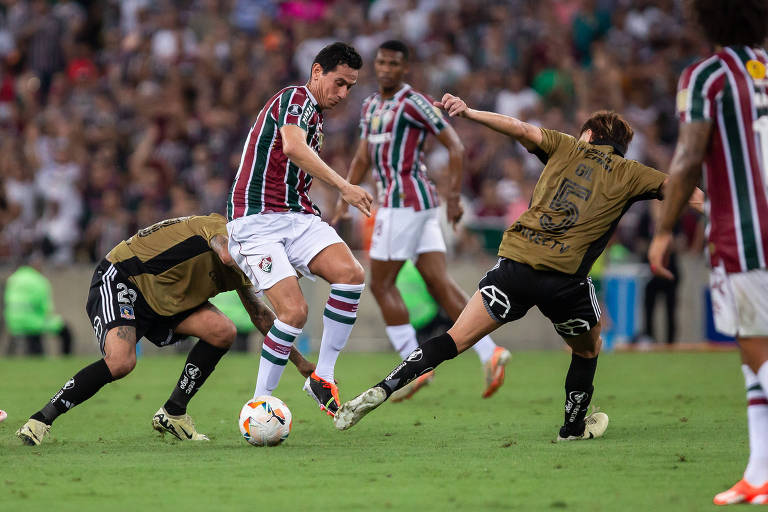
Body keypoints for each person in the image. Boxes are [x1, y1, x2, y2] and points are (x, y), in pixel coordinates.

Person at [334, 98, 703, 439]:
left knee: (453, 340)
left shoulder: (565, 145)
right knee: (588, 351)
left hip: (514, 268)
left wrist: (469, 112)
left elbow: (519, 127)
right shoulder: (632, 172)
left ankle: (383, 387)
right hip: (565, 283)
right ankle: (572, 428)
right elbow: (686, 189)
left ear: (588, 134)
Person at [16, 214, 314, 446]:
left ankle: (173, 412)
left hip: (167, 298)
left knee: (223, 330)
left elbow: (261, 316)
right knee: (121, 362)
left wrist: (302, 365)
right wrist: (269, 269)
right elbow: (224, 254)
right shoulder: (220, 228)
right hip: (123, 277)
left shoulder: (246, 264)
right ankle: (41, 419)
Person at [332, 40, 510, 401]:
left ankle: (412, 367)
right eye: (381, 62)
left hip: (404, 204)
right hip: (416, 205)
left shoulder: (413, 103)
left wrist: (456, 199)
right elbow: (364, 156)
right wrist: (345, 194)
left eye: (394, 63)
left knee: (381, 284)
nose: (385, 68)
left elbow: (456, 147)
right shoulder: (370, 105)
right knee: (437, 281)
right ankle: (489, 351)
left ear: (405, 68)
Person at [647, 0, 768, 504]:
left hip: (746, 232)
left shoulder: (706, 76)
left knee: (758, 351)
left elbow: (689, 155)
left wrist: (663, 228)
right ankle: (759, 472)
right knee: (752, 358)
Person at [226, 42, 372, 418]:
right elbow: (292, 147)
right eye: (339, 83)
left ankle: (322, 377)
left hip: (297, 216)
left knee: (351, 275)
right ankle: (259, 403)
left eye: (350, 87)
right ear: (317, 71)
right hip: (256, 220)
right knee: (293, 312)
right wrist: (343, 186)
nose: (342, 94)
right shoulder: (296, 97)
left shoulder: (317, 116)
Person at [4, 256, 73, 356]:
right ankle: (65, 358)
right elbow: (46, 309)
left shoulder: (13, 278)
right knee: (65, 331)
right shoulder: (39, 280)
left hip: (12, 322)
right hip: (33, 322)